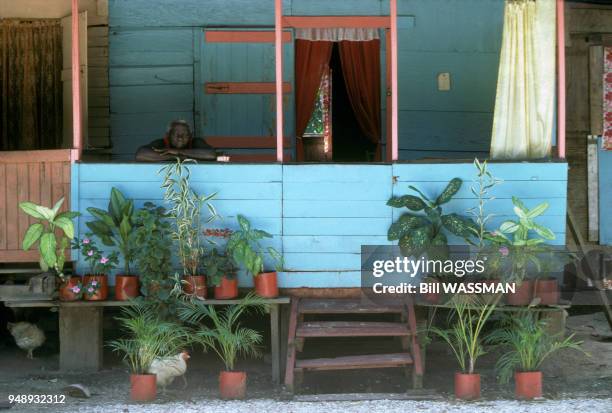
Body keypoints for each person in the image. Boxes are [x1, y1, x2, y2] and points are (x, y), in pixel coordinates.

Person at [135, 120, 217, 162]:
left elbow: (211, 154)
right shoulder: (162, 142)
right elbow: (141, 154)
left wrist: (178, 151)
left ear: (190, 136)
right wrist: (177, 157)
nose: (180, 138)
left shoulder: (196, 142)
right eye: (175, 134)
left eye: (184, 134)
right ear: (168, 135)